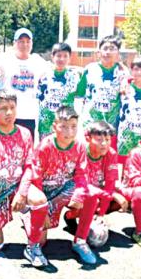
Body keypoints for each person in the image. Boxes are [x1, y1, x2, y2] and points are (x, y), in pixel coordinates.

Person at [0, 90, 49, 268]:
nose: (9, 113)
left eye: (12, 108)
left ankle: (33, 247)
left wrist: (22, 194)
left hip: (17, 189)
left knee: (40, 205)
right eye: (3, 108)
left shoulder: (25, 133)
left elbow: (30, 167)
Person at [27, 105, 98, 265]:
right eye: (64, 127)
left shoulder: (79, 146)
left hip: (64, 189)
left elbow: (81, 174)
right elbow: (36, 178)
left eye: (73, 127)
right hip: (44, 192)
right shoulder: (45, 146)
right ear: (54, 127)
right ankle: (31, 219)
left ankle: (80, 241)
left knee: (91, 194)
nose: (69, 132)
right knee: (41, 241)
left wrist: (79, 195)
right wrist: (42, 208)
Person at [63, 121, 127, 252]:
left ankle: (94, 217)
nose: (104, 144)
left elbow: (110, 184)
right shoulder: (79, 150)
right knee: (93, 198)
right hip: (78, 191)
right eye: (99, 140)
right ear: (88, 138)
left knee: (123, 198)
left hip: (98, 192)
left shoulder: (111, 154)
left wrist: (101, 214)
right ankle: (70, 216)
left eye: (108, 139)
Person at [0, 28, 50, 138]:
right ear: (14, 43)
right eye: (21, 41)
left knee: (26, 151)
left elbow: (53, 73)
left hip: (28, 115)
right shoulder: (4, 60)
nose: (24, 45)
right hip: (7, 114)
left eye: (28, 41)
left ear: (32, 43)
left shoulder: (38, 62)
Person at [78, 35, 130, 148]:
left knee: (109, 158)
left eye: (112, 49)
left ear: (118, 53)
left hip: (111, 126)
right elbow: (79, 94)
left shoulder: (123, 72)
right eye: (105, 48)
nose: (108, 52)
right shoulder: (89, 69)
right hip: (90, 123)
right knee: (90, 157)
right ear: (99, 52)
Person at [36, 43, 84, 139]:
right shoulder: (43, 75)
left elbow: (81, 94)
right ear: (52, 57)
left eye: (65, 56)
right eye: (58, 56)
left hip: (66, 126)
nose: (61, 59)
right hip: (46, 125)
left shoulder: (74, 76)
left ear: (69, 58)